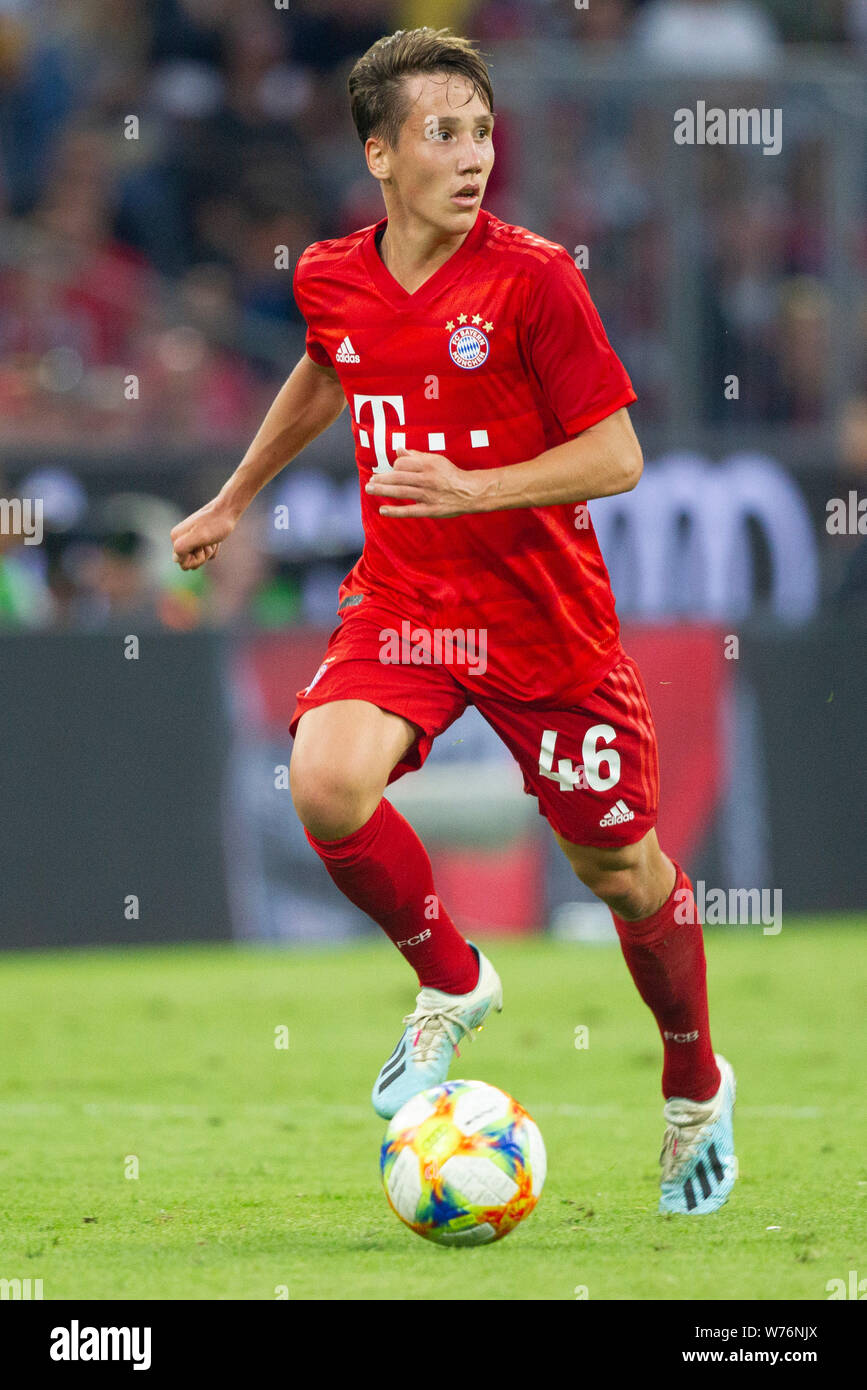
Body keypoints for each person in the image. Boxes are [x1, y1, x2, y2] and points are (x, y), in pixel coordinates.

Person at [171, 27, 736, 1215]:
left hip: (545, 622)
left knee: (623, 873)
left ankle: (694, 1080)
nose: (473, 154)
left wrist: (476, 486)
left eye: (482, 131)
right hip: (408, 601)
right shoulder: (333, 272)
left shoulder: (534, 279)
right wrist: (235, 494)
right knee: (324, 785)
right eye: (443, 133)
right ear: (380, 153)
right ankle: (454, 977)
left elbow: (620, 453)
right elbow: (331, 363)